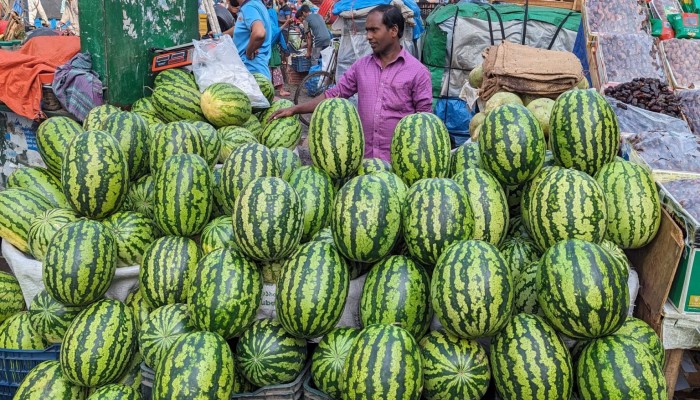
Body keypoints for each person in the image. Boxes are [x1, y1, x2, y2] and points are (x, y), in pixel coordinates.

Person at [270, 5, 432, 161]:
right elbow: (332, 95)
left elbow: (424, 121)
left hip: (399, 162)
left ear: (393, 31)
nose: (368, 36)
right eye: (367, 30)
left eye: (374, 30)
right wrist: (295, 109)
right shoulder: (361, 67)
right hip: (364, 161)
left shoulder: (418, 72)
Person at [234, 0, 273, 79]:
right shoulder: (257, 4)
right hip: (258, 69)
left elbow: (259, 33)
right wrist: (222, 34)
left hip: (252, 70)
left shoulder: (249, 7)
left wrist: (249, 52)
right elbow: (241, 26)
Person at [267, 0, 291, 96]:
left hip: (268, 51)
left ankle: (271, 91)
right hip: (271, 51)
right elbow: (276, 32)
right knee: (275, 70)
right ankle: (278, 91)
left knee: (271, 71)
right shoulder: (272, 25)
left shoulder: (266, 23)